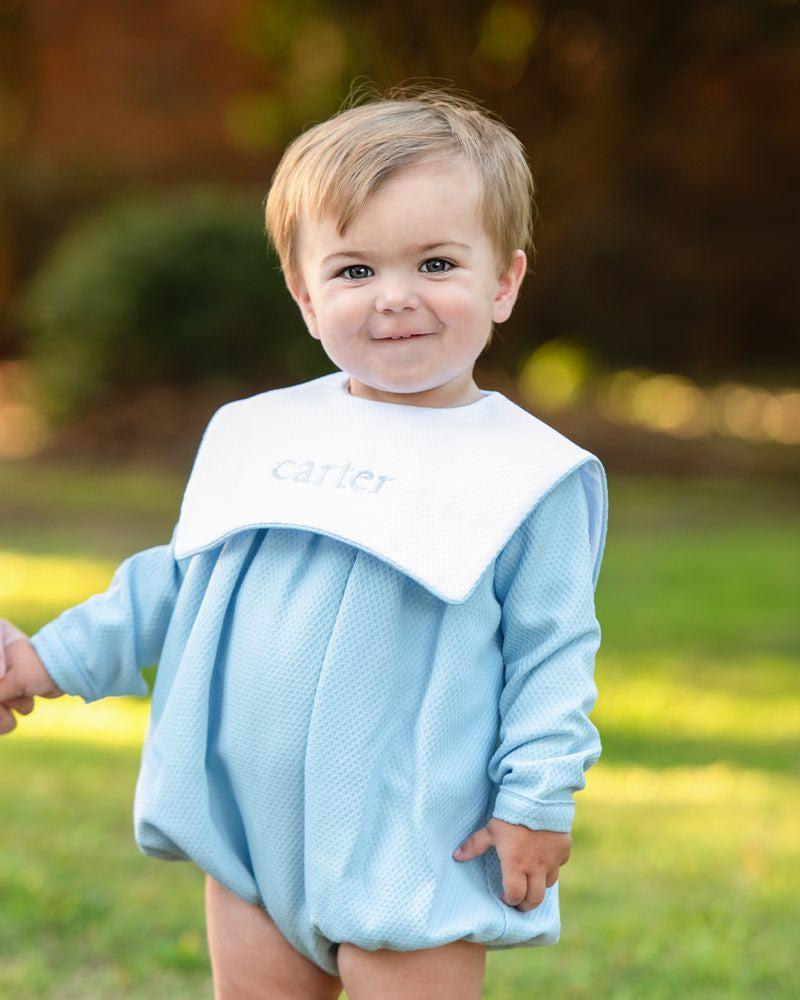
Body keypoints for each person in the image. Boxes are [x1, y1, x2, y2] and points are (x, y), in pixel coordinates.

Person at [0, 86, 608, 1000]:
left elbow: (552, 653)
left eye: (437, 262)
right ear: (305, 295)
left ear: (505, 282)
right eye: (355, 270)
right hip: (250, 837)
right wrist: (46, 659)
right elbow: (177, 585)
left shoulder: (528, 473)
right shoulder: (260, 434)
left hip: (417, 841)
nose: (396, 298)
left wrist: (536, 799)